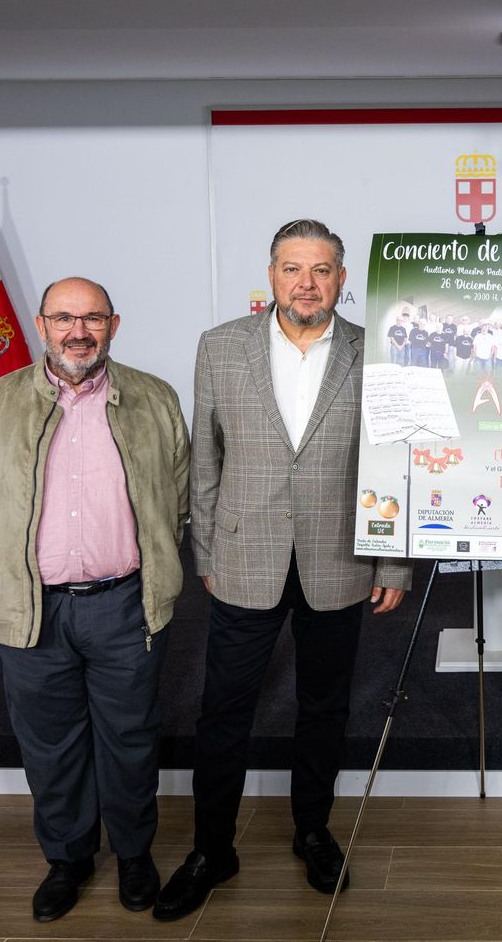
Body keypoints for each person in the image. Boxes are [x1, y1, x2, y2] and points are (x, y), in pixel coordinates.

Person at [155, 219, 412, 921]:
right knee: (224, 711)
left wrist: (393, 558)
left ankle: (313, 831)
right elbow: (204, 460)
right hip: (243, 556)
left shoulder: (376, 349)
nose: (306, 283)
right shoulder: (221, 347)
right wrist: (205, 550)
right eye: (293, 268)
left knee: (325, 708)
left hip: (341, 557)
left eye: (321, 269)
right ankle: (212, 849)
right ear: (271, 274)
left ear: (342, 277)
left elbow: (394, 457)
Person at [0, 277, 189, 923]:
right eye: (63, 318)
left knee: (131, 739)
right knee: (50, 744)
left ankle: (135, 856)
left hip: (125, 605)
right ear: (41, 323)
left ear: (114, 324)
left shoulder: (155, 400)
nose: (78, 331)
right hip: (29, 607)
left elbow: (182, 499)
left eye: (92, 318)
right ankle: (69, 859)